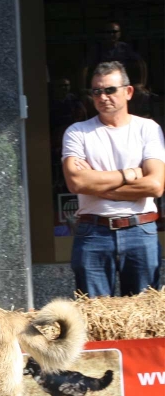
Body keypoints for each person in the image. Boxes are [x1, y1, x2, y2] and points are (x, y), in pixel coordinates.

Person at [62, 61, 165, 298]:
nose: (102, 96)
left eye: (110, 90)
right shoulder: (77, 132)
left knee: (144, 318)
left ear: (128, 92)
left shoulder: (147, 129)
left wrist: (97, 186)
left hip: (141, 229)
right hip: (93, 231)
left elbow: (155, 185)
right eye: (96, 91)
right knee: (94, 318)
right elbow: (76, 183)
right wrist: (127, 174)